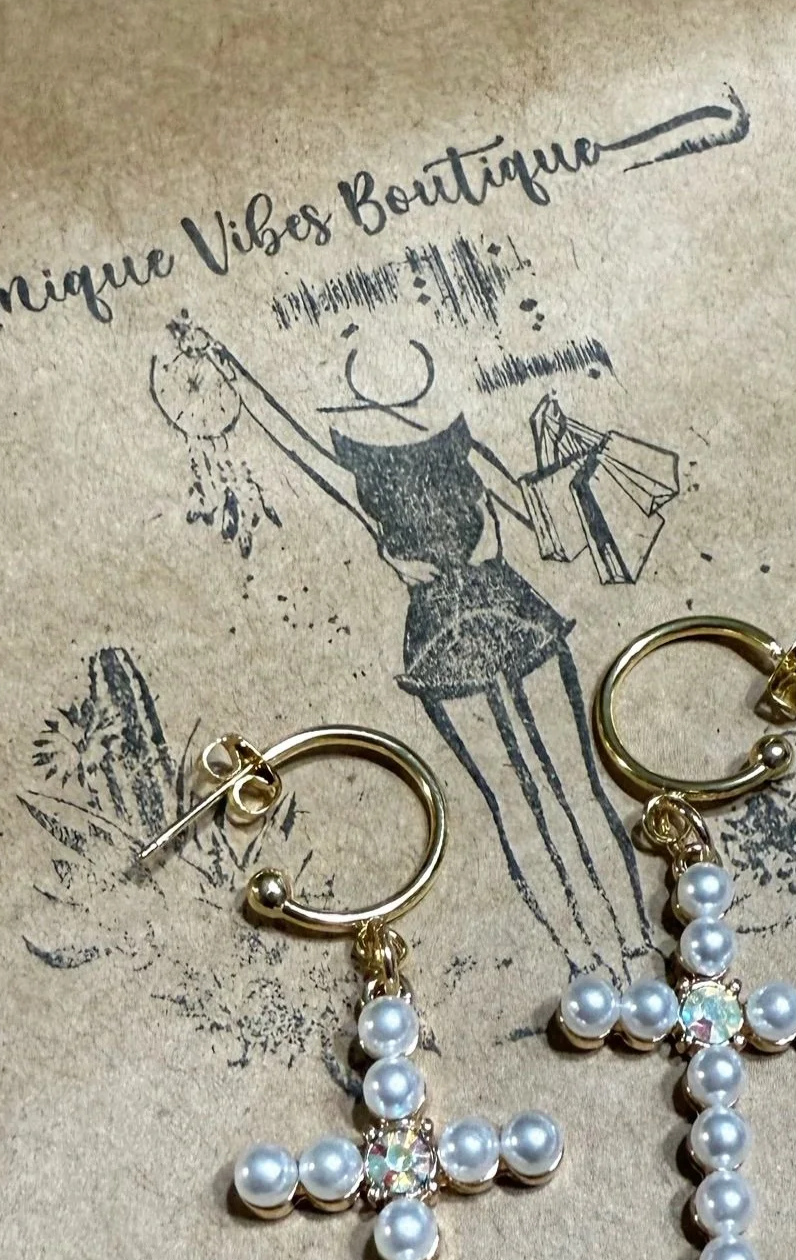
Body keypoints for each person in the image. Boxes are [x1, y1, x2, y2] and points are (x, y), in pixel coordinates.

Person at [151, 311, 653, 978]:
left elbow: (536, 510)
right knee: (525, 800)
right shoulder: (396, 461)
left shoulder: (407, 460)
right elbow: (300, 444)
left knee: (556, 792)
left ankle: (620, 945)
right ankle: (597, 954)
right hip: (461, 628)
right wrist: (234, 375)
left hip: (488, 617)